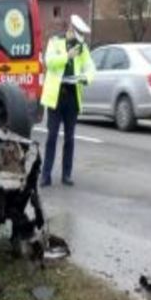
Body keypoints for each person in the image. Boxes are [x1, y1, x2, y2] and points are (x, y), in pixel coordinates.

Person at [40, 14, 95, 187]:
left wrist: (86, 78)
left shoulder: (82, 48)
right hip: (56, 97)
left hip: (72, 96)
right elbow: (49, 62)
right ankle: (45, 175)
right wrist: (67, 56)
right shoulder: (55, 41)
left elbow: (90, 67)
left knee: (70, 138)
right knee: (52, 137)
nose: (78, 41)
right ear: (70, 29)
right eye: (76, 34)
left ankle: (66, 174)